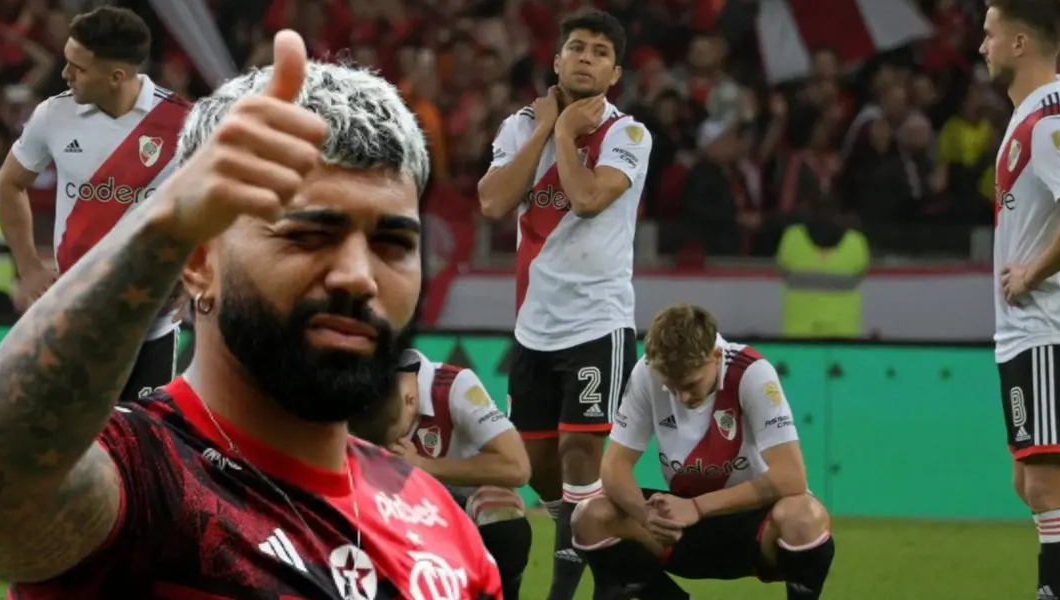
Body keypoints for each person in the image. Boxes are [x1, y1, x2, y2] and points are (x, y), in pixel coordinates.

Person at [0, 31, 500, 600]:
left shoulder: (444, 528)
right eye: (309, 235)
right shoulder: (145, 477)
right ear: (198, 263)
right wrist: (161, 226)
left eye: (392, 244)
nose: (358, 276)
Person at [476, 9, 653, 598]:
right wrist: (545, 127)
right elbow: (494, 202)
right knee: (538, 467)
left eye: (600, 51)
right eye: (576, 47)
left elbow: (585, 199)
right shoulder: (519, 124)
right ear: (556, 60)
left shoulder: (629, 134)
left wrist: (564, 135)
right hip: (533, 326)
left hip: (598, 321)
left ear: (615, 72)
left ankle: (566, 590)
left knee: (582, 451)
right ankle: (602, 552)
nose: (585, 57)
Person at [571, 303, 835, 600]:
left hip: (754, 526)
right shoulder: (647, 372)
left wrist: (697, 507)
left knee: (803, 517)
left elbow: (792, 477)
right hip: (679, 528)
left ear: (716, 356)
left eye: (689, 384)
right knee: (590, 515)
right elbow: (613, 467)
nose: (681, 397)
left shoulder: (751, 372)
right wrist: (646, 516)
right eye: (671, 386)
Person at [0, 7, 189, 401]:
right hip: (72, 320)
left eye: (77, 67)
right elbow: (10, 184)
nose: (65, 74)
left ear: (116, 77)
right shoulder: (53, 115)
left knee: (143, 450)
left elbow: (218, 203)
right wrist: (28, 265)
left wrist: (199, 271)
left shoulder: (186, 122)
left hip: (151, 324)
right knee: (75, 454)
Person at [981, 2, 1060, 599]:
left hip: (1052, 326)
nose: (982, 46)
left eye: (989, 35)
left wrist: (1031, 273)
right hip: (1029, 332)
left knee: (1049, 487)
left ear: (1019, 43)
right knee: (1029, 484)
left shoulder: (1051, 122)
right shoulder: (1029, 116)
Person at [351, 349, 534, 599]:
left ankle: (504, 592)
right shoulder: (359, 391)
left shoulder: (455, 386)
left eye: (392, 433)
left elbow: (517, 467)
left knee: (501, 511)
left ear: (410, 401)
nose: (389, 442)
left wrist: (424, 466)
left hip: (464, 507)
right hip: (398, 509)